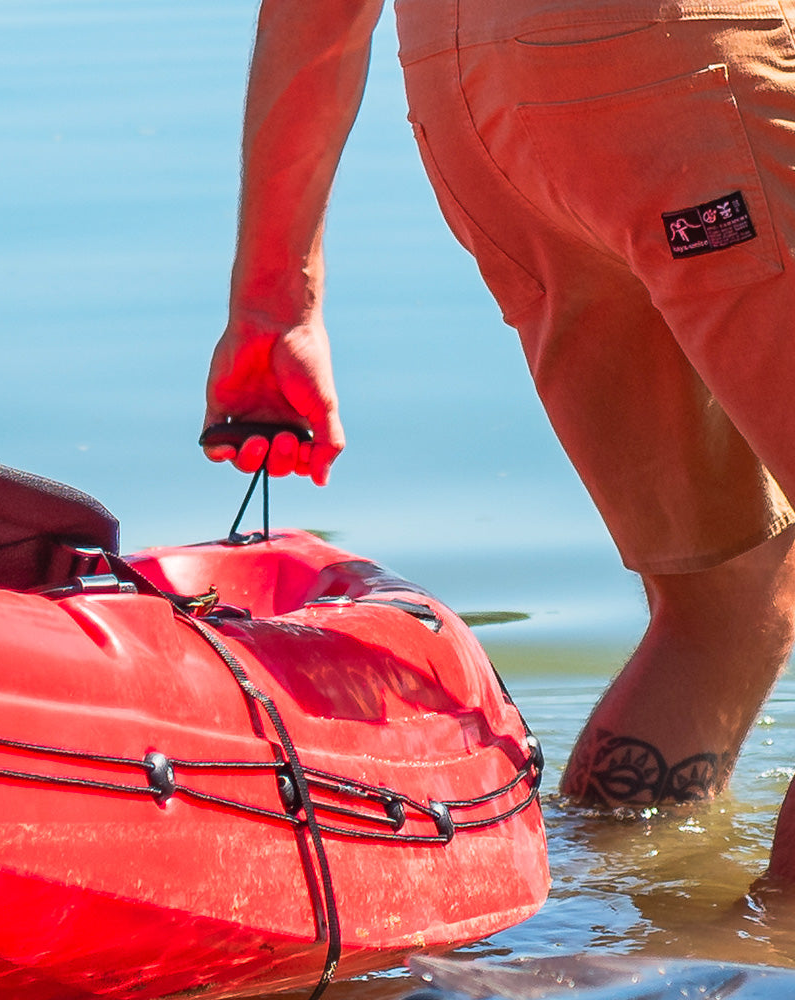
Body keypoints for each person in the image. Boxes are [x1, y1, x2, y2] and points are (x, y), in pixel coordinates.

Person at [201, 0, 795, 884]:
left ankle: (595, 913)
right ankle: (756, 960)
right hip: (685, 67)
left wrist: (274, 303)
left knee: (723, 603)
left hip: (475, 100)